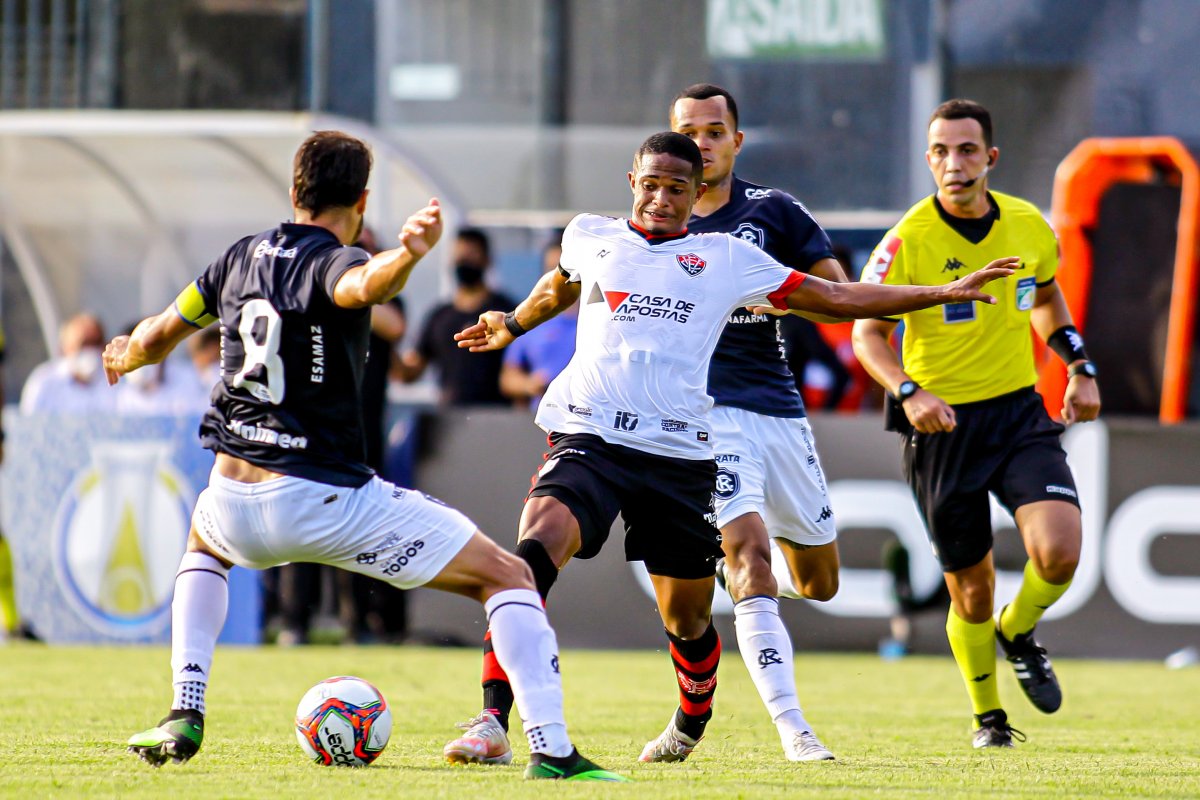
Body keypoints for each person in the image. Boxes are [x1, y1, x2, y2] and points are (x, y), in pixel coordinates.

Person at [444, 130, 1015, 767]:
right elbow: (561, 285)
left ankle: (692, 712)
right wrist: (514, 322)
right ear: (632, 182)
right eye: (651, 184)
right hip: (591, 437)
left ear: (698, 195)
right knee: (532, 552)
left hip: (678, 457)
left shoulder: (727, 259)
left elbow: (832, 298)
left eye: (676, 189)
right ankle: (493, 717)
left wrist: (940, 292)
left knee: (688, 618)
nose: (661, 199)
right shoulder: (590, 235)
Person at [105, 130, 622, 781]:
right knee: (509, 578)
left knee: (202, 551)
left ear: (294, 190)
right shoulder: (337, 259)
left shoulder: (235, 260)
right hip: (324, 498)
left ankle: (185, 710)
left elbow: (157, 334)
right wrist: (403, 257)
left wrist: (126, 352)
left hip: (231, 501)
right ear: (362, 198)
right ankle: (552, 751)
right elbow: (361, 285)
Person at [851, 99, 1102, 749]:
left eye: (966, 150)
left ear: (990, 158)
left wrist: (1077, 363)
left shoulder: (1027, 226)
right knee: (971, 590)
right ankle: (990, 719)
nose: (953, 163)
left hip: (1017, 411)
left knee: (1061, 549)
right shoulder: (908, 239)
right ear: (928, 159)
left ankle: (1019, 632)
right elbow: (866, 334)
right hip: (941, 427)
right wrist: (909, 392)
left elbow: (1043, 294)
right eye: (940, 151)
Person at [670, 83, 849, 761]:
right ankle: (794, 731)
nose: (701, 143)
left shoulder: (773, 211)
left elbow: (832, 286)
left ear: (735, 141)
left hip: (777, 412)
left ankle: (736, 572)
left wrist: (783, 296)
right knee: (750, 557)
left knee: (820, 583)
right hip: (705, 418)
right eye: (688, 131)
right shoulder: (658, 223)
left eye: (714, 131)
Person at [399, 228, 515, 405]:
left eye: (470, 255)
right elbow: (410, 371)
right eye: (459, 256)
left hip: (497, 417)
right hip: (450, 418)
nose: (463, 262)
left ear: (487, 260)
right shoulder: (439, 316)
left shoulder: (505, 312)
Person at [499, 240, 576, 410]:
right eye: (552, 271)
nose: (560, 279)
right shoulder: (531, 321)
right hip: (544, 419)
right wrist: (530, 384)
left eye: (566, 271)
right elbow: (508, 378)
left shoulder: (601, 318)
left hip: (590, 422)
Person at [20, 313, 115, 413]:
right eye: (84, 343)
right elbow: (29, 422)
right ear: (66, 347)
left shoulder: (116, 381)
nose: (90, 349)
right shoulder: (44, 382)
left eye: (96, 342)